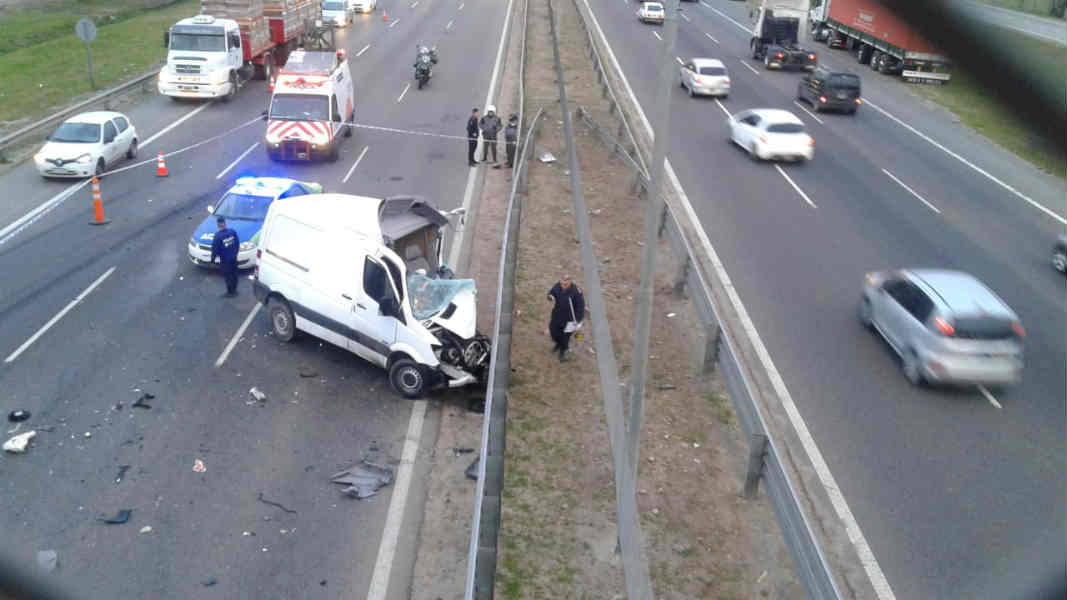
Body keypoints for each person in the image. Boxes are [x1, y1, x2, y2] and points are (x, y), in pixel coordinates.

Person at [547, 275, 585, 362]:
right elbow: (552, 292)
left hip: (569, 320)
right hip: (557, 315)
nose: (563, 286)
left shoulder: (576, 292)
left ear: (570, 282)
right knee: (553, 331)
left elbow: (581, 307)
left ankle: (562, 352)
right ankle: (558, 343)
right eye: (562, 283)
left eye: (565, 284)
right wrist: (550, 296)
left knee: (565, 337)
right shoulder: (558, 286)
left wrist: (578, 320)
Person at [211, 216, 240, 297]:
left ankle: (230, 293)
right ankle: (235, 290)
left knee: (228, 276)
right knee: (234, 274)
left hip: (225, 260)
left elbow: (215, 250)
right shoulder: (232, 232)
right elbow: (237, 244)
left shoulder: (217, 236)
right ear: (225, 223)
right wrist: (235, 253)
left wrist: (212, 261)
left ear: (218, 224)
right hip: (234, 258)